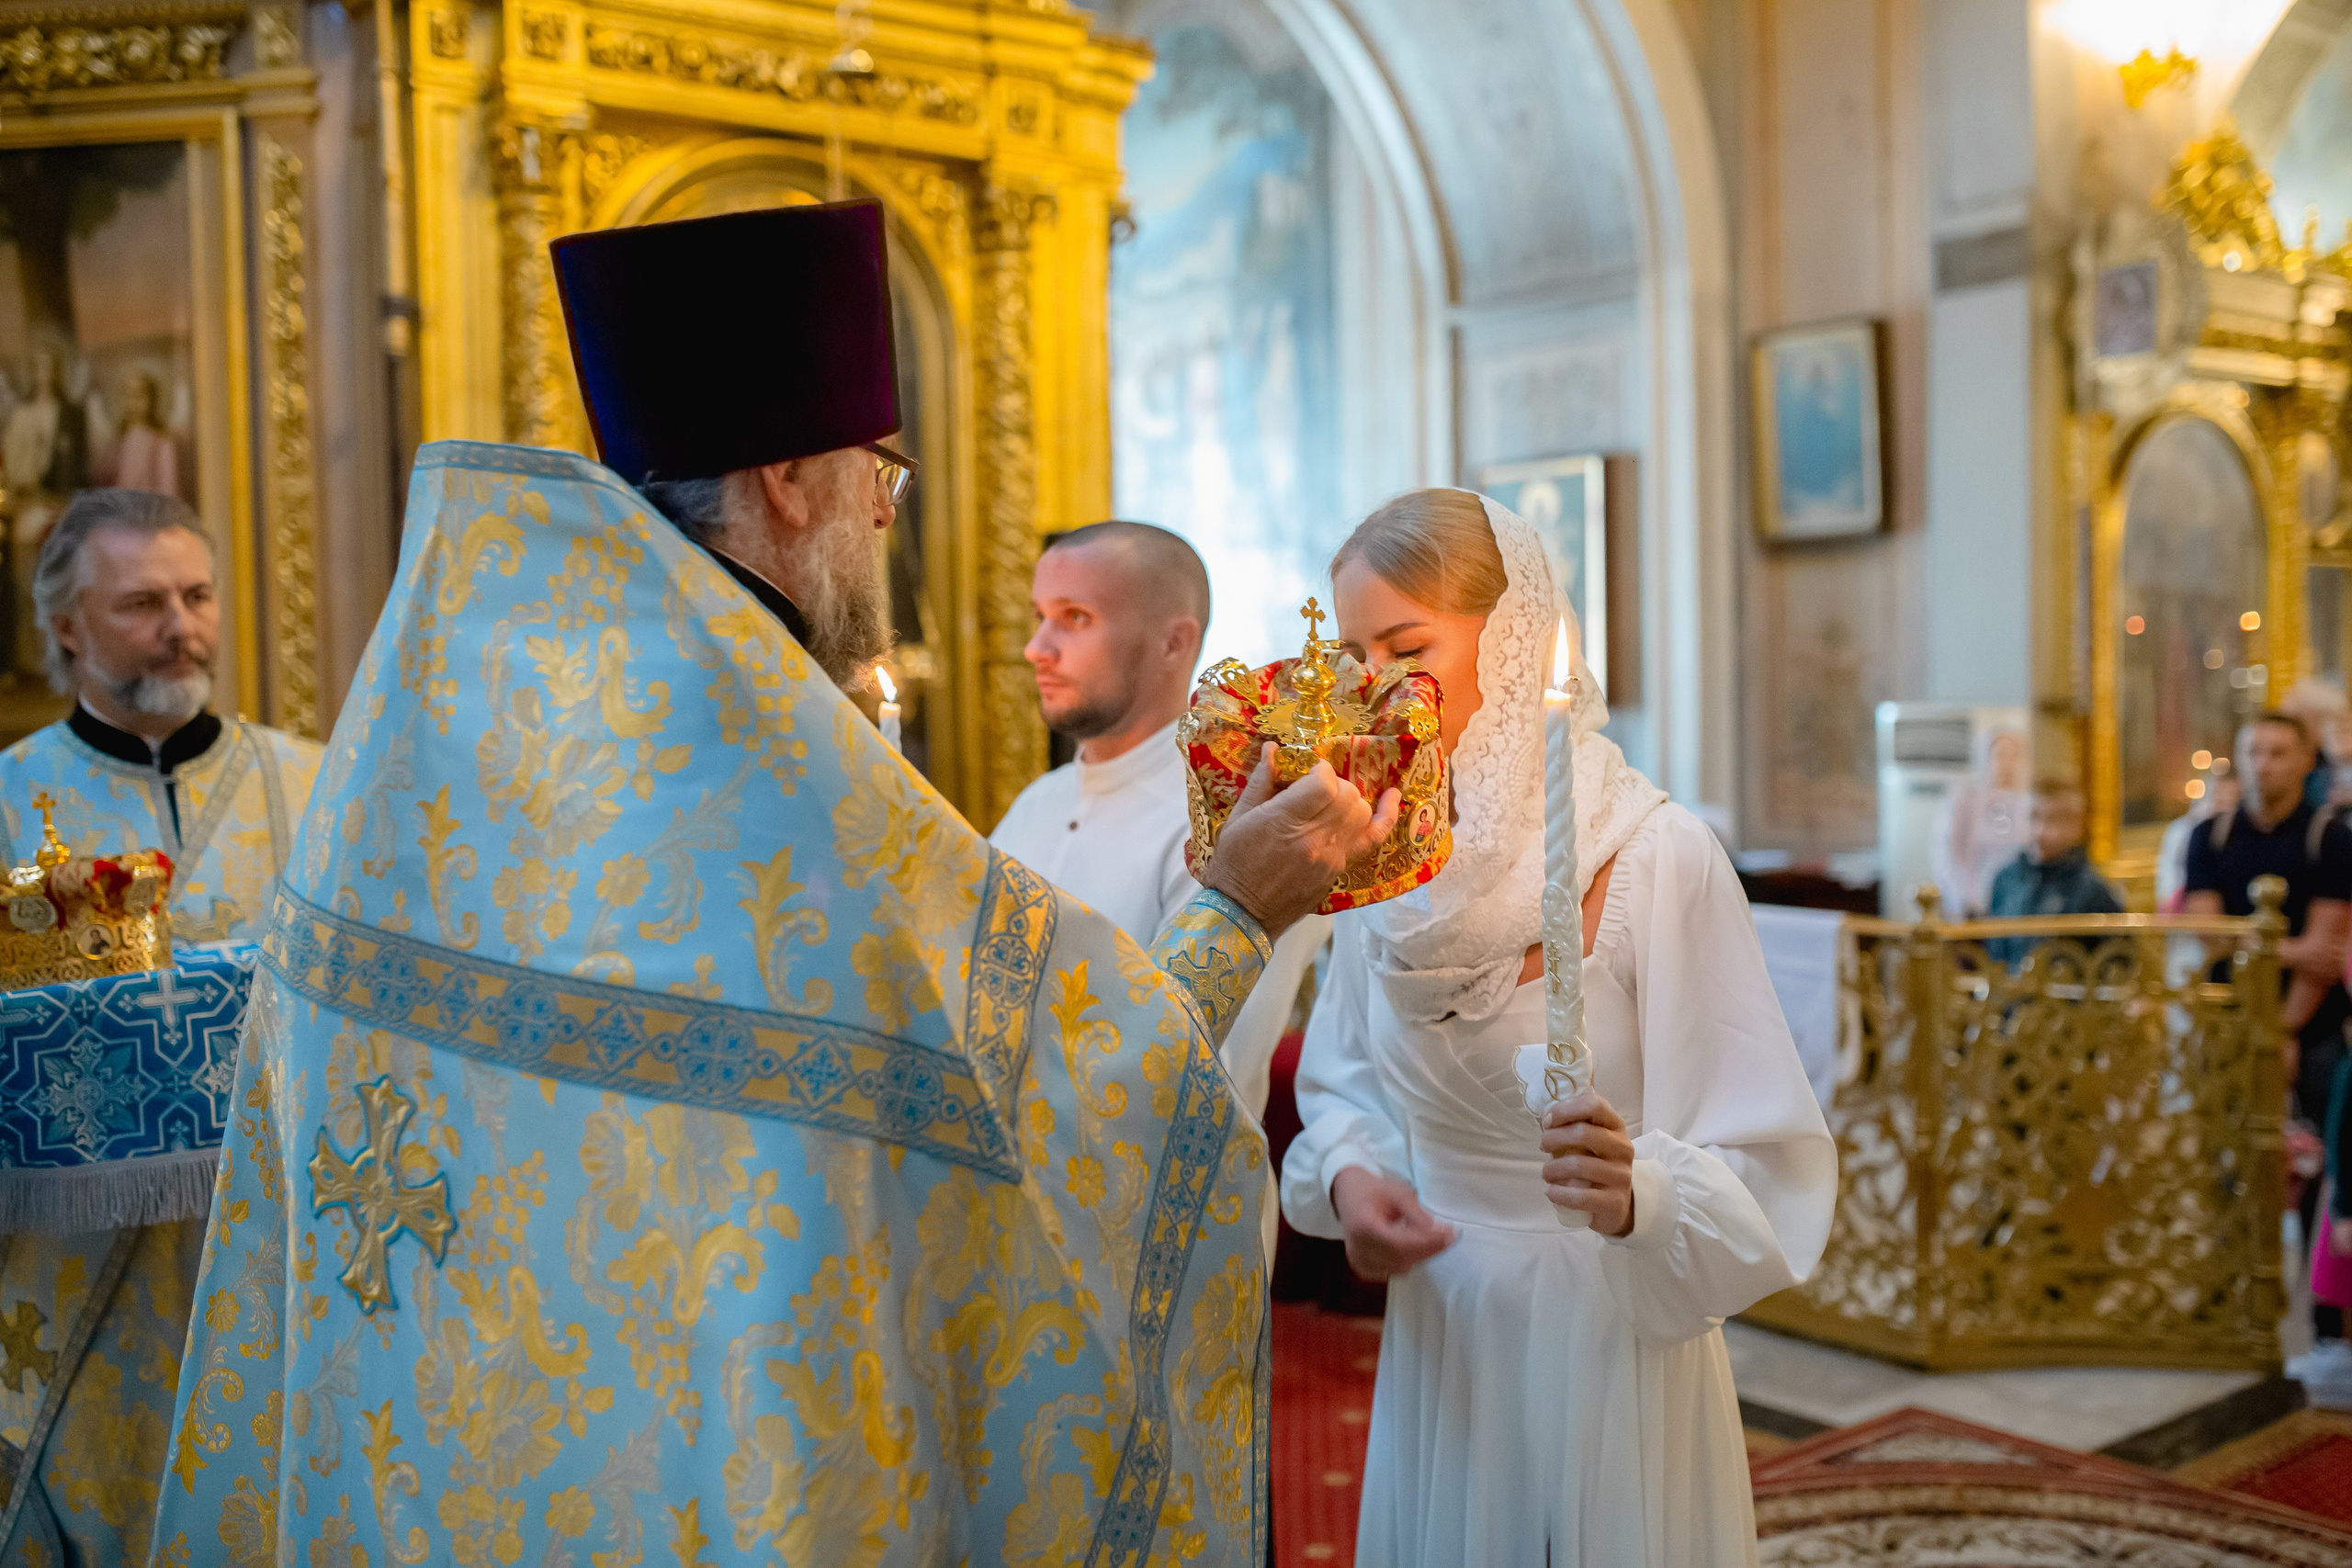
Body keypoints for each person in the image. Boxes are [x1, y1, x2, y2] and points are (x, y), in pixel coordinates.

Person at [151, 198, 1397, 1565]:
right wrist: (1232, 911)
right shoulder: (782, 773)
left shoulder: (454, 734)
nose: (883, 512)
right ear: (791, 484)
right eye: (881, 475)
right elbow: (1051, 1101)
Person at [1279, 489, 1837, 1565]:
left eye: (1407, 646)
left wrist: (1642, 1191)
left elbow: (1767, 1157)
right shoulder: (1375, 858)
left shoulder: (1654, 856)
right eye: (1354, 655)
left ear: (1513, 642)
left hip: (1609, 1327)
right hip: (1446, 1324)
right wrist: (1353, 1180)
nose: (1374, 691)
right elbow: (1342, 1082)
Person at [0, 488, 322, 1567]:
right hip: (75, 1286)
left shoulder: (311, 782)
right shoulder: (8, 801)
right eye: (141, 602)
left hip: (271, 1267)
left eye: (195, 595)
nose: (180, 626)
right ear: (65, 628)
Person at [991, 519, 1330, 1128]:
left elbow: (1207, 1069)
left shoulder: (1238, 827)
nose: (1036, 647)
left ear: (1174, 643)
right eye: (1040, 615)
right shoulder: (1034, 804)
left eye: (1074, 617)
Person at [2184, 712, 2352, 1364]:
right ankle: (2230, 1298)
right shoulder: (2212, 835)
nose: (2263, 763)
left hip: (2308, 1030)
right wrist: (2289, 947)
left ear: (2304, 759)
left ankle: (2328, 1317)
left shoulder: (2330, 838)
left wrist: (2280, 1029)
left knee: (2321, 1169)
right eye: (2253, 750)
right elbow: (2204, 933)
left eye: (2278, 752)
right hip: (2229, 1028)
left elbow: (2326, 949)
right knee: (2226, 1160)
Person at [1982, 782, 2121, 968]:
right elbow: (1994, 953)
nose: (2040, 831)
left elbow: (2115, 961)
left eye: (2053, 819)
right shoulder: (2005, 879)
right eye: (2034, 817)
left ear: (2076, 826)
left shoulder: (2092, 889)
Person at [1929, 723, 2031, 918]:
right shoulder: (1964, 801)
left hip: (2014, 908)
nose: (2006, 763)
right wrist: (1964, 900)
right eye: (2000, 755)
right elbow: (1946, 854)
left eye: (2012, 756)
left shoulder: (2025, 804)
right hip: (1970, 906)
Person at [2157, 769, 2240, 912]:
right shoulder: (2183, 831)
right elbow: (2170, 884)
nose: (2225, 810)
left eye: (2232, 803)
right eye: (2220, 801)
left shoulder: (2239, 832)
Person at [107, 368, 180, 499]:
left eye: (140, 395)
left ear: (152, 399)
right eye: (128, 395)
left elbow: (169, 492)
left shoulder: (162, 442)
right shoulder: (120, 440)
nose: (133, 402)